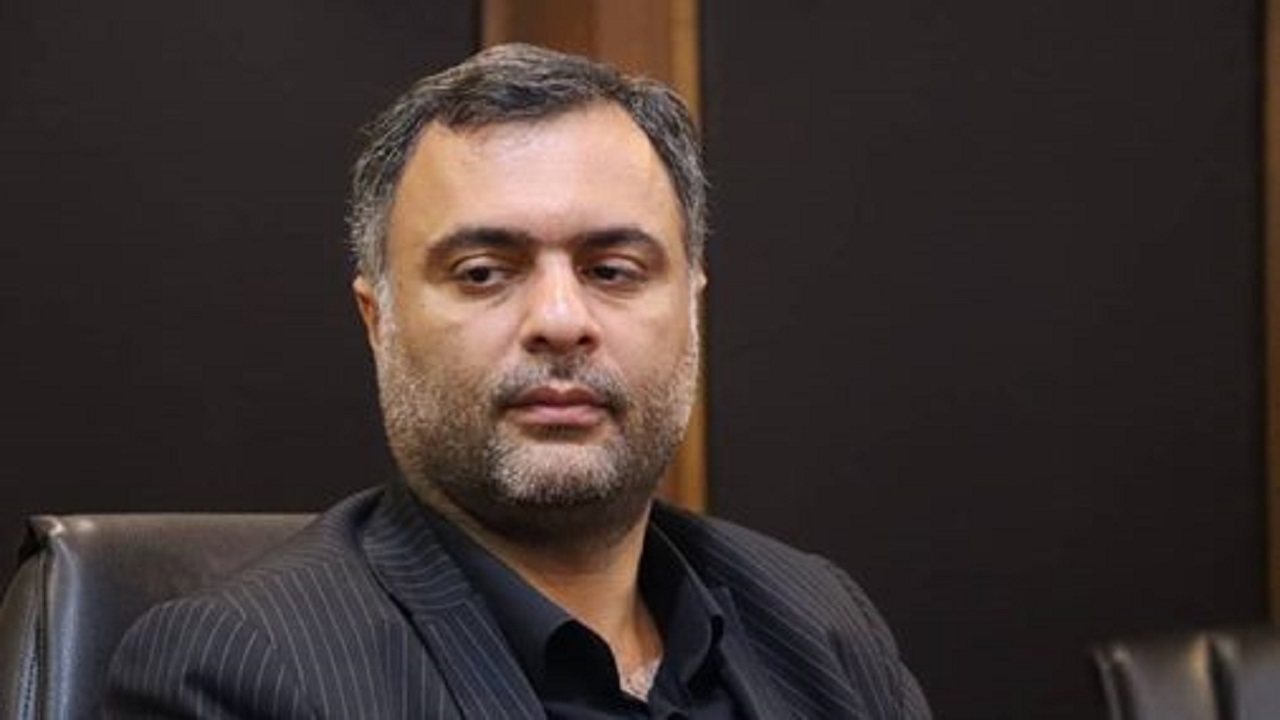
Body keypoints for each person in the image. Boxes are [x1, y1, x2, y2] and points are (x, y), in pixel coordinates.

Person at [104, 43, 930, 719]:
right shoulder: (241, 672)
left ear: (691, 308)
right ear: (378, 321)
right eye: (483, 272)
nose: (561, 320)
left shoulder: (821, 626)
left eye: (612, 269)